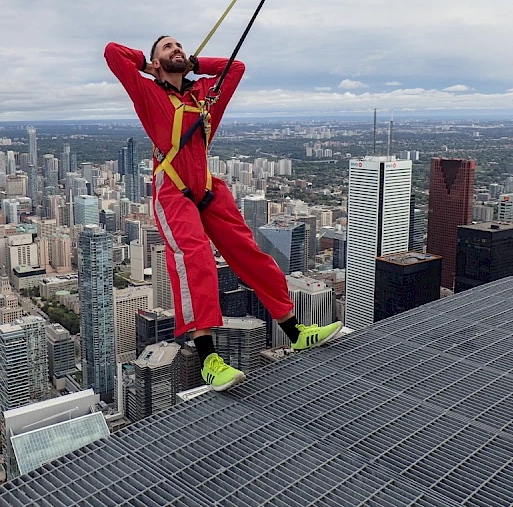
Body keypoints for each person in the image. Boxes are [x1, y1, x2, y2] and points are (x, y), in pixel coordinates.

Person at [104, 36, 342, 391]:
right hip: (172, 190)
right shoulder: (148, 93)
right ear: (154, 64)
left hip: (208, 186)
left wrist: (194, 64)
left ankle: (295, 331)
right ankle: (209, 361)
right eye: (167, 48)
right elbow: (113, 53)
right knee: (195, 259)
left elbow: (236, 68)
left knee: (250, 254)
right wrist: (148, 64)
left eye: (179, 45)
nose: (177, 49)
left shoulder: (203, 95)